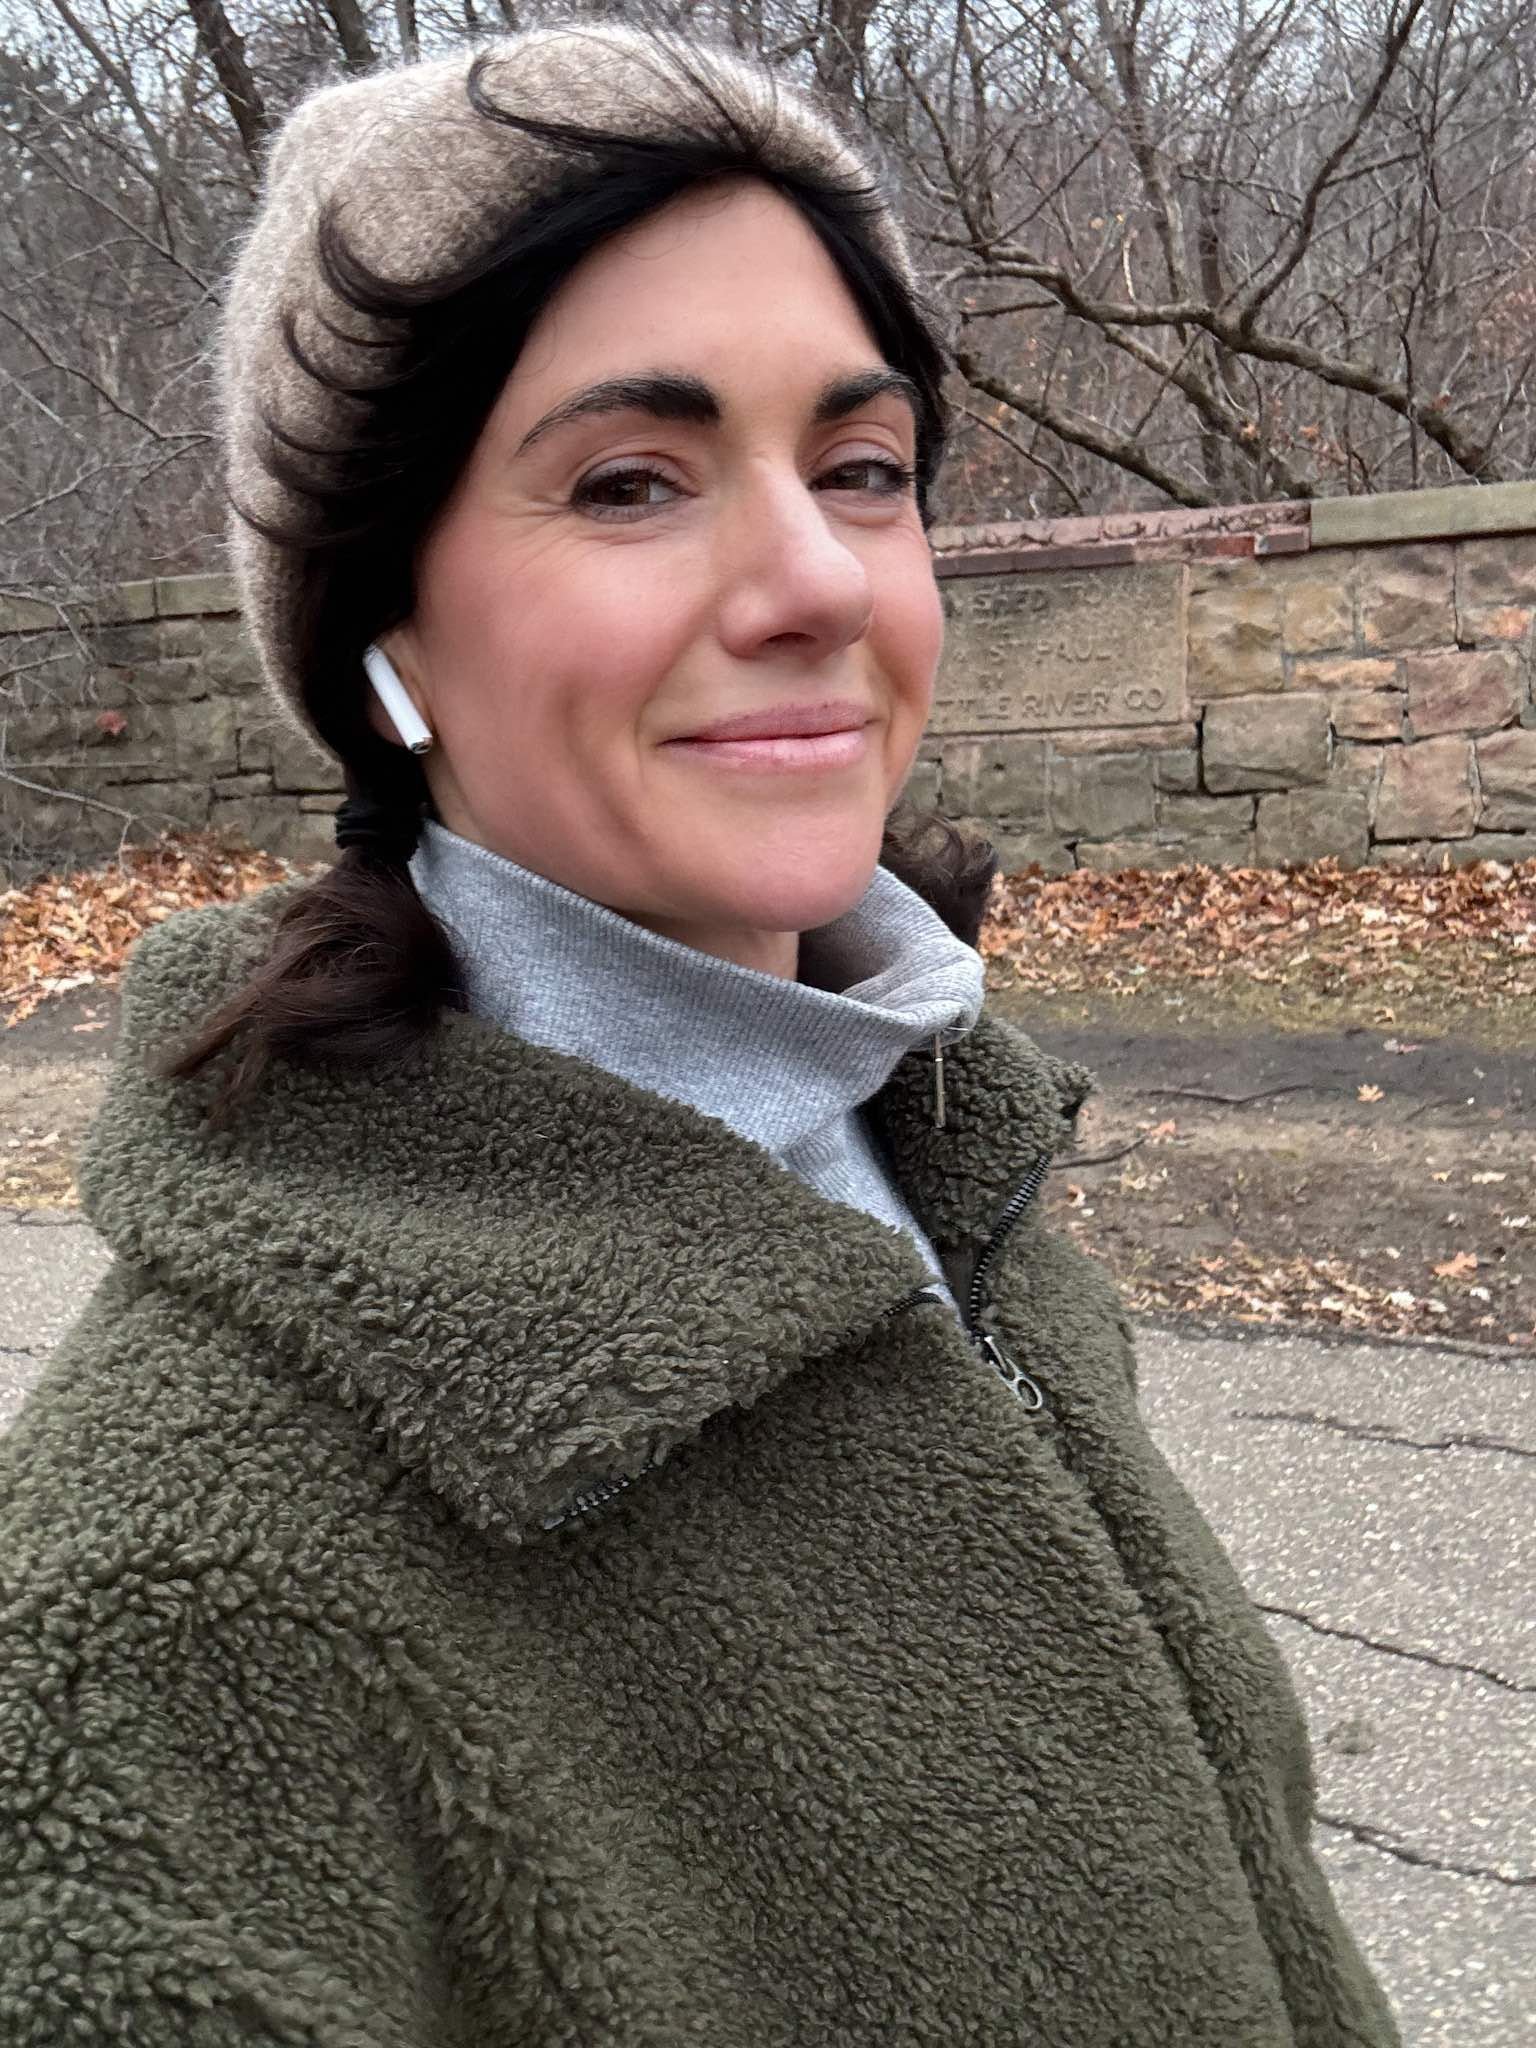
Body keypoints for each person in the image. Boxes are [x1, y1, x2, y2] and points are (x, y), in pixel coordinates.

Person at [0, 19, 1401, 2045]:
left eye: (861, 467)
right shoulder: (171, 1588)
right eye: (633, 481)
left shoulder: (942, 1156)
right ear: (376, 631)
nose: (819, 576)